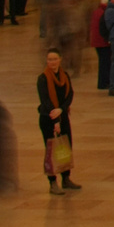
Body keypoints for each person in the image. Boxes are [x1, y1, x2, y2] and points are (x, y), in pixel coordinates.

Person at [36, 48, 82, 195]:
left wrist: (62, 109)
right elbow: (45, 100)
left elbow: (70, 95)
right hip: (47, 118)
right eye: (49, 60)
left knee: (65, 147)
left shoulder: (65, 76)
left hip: (62, 116)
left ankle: (66, 178)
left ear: (60, 59)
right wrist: (55, 119)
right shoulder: (43, 78)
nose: (52, 62)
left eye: (55, 59)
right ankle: (52, 183)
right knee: (51, 150)